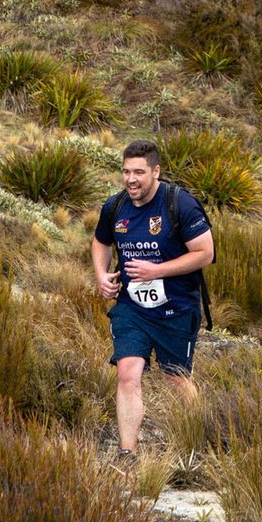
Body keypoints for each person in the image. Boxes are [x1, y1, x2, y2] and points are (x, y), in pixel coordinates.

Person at [90, 139, 214, 462]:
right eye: (126, 171)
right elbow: (101, 241)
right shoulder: (115, 207)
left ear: (156, 171)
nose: (131, 179)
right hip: (132, 309)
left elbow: (205, 253)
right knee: (128, 373)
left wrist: (156, 270)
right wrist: (101, 275)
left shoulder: (180, 204)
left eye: (139, 172)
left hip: (176, 308)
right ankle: (127, 452)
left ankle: (199, 442)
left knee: (177, 379)